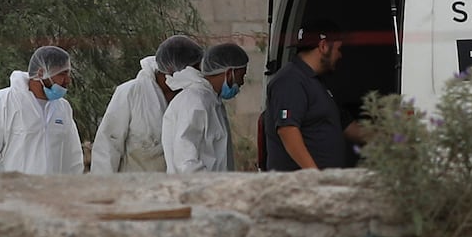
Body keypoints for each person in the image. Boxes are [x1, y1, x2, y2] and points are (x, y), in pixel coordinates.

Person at [0, 45, 85, 176]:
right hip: (12, 193)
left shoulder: (63, 108)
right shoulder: (4, 102)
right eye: (62, 74)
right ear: (41, 73)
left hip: (51, 194)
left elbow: (73, 159)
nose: (67, 80)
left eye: (68, 74)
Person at [90, 35, 204, 173]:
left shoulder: (190, 98)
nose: (197, 75)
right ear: (172, 69)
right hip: (132, 188)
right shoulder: (130, 93)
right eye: (193, 70)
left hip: (174, 188)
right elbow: (108, 146)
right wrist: (104, 191)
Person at [264, 21, 365, 171]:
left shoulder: (317, 83)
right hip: (300, 187)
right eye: (339, 49)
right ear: (323, 46)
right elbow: (287, 130)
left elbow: (348, 126)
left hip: (321, 185)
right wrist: (314, 175)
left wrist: (394, 138)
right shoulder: (290, 81)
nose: (340, 55)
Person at [161, 42, 249, 173]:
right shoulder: (194, 101)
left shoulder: (211, 100)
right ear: (230, 73)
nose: (241, 82)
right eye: (241, 76)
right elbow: (185, 160)